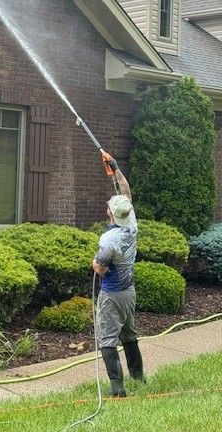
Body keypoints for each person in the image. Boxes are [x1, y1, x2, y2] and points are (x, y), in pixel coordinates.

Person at [92, 157, 145, 397]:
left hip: (111, 295)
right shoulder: (131, 224)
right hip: (129, 292)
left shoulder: (109, 240)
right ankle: (138, 376)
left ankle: (117, 388)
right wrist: (115, 168)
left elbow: (101, 268)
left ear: (110, 214)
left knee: (107, 339)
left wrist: (94, 263)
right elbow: (126, 193)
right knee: (129, 334)